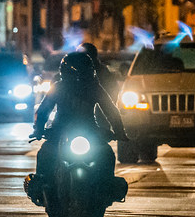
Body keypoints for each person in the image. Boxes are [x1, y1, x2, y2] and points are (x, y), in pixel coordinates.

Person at [25, 51, 128, 205]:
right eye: (76, 72)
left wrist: (119, 131)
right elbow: (43, 111)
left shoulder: (95, 88)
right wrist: (39, 130)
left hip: (89, 132)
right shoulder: (58, 87)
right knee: (45, 154)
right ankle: (40, 189)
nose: (79, 77)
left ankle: (107, 190)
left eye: (83, 71)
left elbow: (111, 110)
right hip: (59, 132)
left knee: (106, 154)